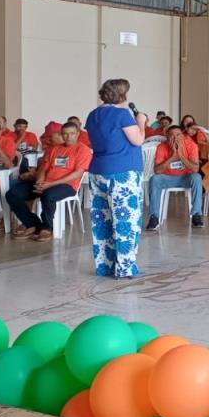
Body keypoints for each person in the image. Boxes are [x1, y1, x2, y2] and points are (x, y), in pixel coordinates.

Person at [86, 78, 147, 278]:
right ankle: (125, 268)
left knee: (102, 220)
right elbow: (138, 140)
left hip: (98, 171)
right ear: (123, 95)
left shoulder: (92, 115)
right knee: (126, 220)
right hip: (123, 172)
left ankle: (105, 265)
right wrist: (141, 122)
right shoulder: (122, 115)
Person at [7, 121, 93, 241]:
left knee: (48, 195)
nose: (68, 137)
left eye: (72, 134)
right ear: (61, 134)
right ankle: (33, 224)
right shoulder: (54, 149)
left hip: (67, 185)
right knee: (12, 194)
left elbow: (77, 173)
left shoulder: (83, 150)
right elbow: (43, 168)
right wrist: (39, 182)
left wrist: (51, 184)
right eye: (65, 134)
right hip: (46, 183)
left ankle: (47, 228)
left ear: (78, 134)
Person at [146, 125, 204, 232]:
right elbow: (157, 171)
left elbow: (195, 169)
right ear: (167, 137)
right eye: (171, 136)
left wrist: (181, 155)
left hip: (185, 178)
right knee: (155, 179)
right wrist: (172, 155)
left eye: (178, 135)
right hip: (168, 178)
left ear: (183, 136)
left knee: (197, 177)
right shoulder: (162, 147)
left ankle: (196, 215)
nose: (175, 138)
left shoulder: (191, 145)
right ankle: (154, 217)